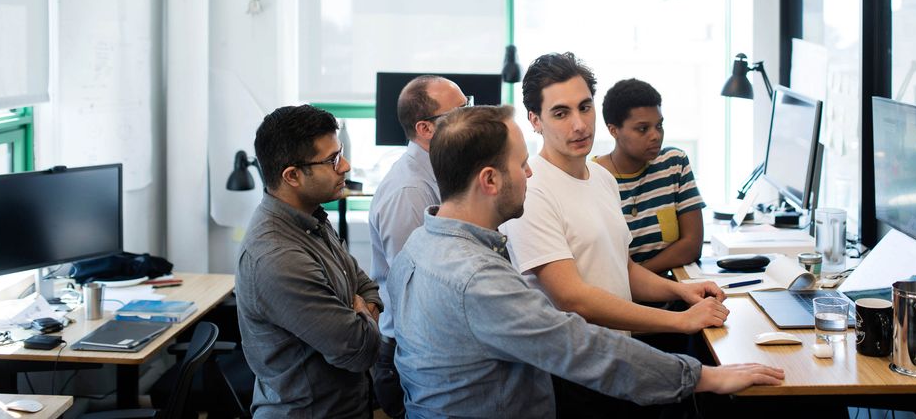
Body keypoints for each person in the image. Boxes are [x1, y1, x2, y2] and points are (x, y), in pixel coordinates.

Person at [388, 104, 784, 418]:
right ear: (490, 181)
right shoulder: (477, 279)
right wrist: (703, 377)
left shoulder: (420, 244)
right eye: (521, 164)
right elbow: (579, 347)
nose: (529, 173)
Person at [500, 53, 729, 414]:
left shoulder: (602, 178)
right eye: (561, 113)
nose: (579, 125)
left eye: (585, 107)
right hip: (573, 373)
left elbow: (624, 268)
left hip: (618, 358)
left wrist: (680, 291)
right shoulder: (533, 188)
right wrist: (680, 320)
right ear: (535, 120)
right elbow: (573, 298)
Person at [236, 104, 382, 419]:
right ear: (292, 176)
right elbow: (360, 351)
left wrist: (361, 308)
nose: (345, 166)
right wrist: (360, 315)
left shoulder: (310, 216)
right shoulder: (278, 258)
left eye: (340, 153)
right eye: (332, 160)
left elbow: (366, 285)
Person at [368, 75, 468, 418]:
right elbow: (419, 287)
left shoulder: (441, 172)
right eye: (459, 112)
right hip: (409, 352)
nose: (469, 118)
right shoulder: (410, 191)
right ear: (425, 129)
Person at [596, 78, 705, 274]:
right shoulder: (592, 177)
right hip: (619, 299)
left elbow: (692, 245)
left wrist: (640, 276)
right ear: (614, 130)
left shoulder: (674, 163)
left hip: (670, 294)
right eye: (643, 129)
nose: (655, 135)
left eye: (659, 126)